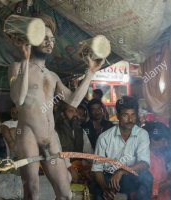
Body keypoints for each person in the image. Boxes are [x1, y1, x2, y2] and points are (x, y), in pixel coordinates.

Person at [9, 14, 104, 200]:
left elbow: (74, 102)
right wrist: (26, 61)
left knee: (65, 193)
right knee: (32, 192)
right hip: (27, 134)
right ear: (32, 39)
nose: (49, 42)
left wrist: (91, 72)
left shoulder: (52, 76)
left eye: (52, 39)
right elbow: (18, 99)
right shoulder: (17, 66)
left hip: (51, 137)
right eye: (44, 38)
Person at [92, 96, 153, 200]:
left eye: (133, 115)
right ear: (118, 116)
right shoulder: (104, 138)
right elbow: (97, 169)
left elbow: (144, 163)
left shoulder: (142, 134)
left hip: (131, 175)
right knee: (98, 191)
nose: (130, 119)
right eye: (125, 115)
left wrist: (121, 171)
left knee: (147, 177)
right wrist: (105, 189)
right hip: (109, 177)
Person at [55, 102, 93, 183]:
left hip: (78, 167)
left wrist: (93, 167)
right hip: (62, 169)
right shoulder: (55, 132)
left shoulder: (81, 131)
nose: (75, 114)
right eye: (71, 111)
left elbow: (88, 153)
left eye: (76, 111)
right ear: (63, 114)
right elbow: (58, 154)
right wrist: (70, 168)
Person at [143, 122, 171, 200]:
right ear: (152, 140)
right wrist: (170, 183)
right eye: (163, 141)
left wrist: (169, 174)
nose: (166, 144)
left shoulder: (160, 156)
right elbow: (151, 192)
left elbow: (159, 179)